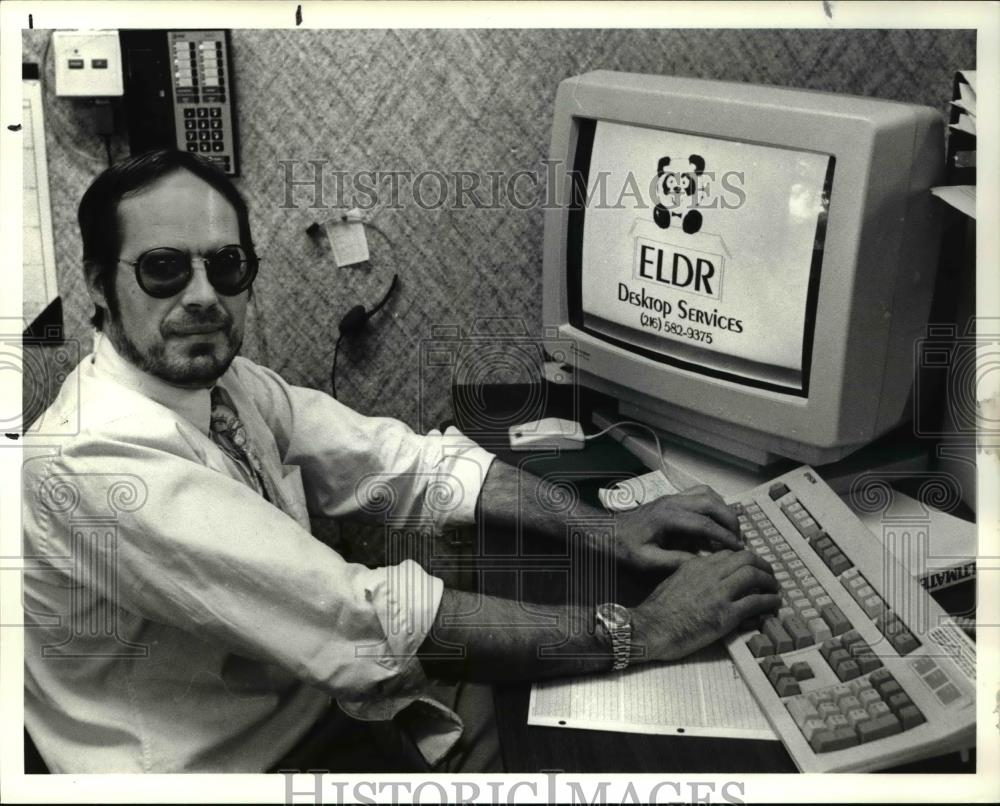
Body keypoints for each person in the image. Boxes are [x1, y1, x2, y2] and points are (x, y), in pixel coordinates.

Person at [21, 150, 780, 773]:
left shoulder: (223, 383)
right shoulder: (93, 462)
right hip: (225, 766)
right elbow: (362, 619)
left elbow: (400, 462)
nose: (203, 296)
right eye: (162, 269)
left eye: (226, 266)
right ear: (98, 284)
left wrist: (608, 528)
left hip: (308, 706)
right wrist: (641, 631)